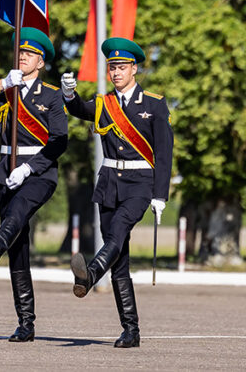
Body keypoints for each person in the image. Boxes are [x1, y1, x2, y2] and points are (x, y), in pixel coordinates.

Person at [61, 37, 174, 349]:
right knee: (120, 257)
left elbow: (164, 152)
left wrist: (160, 194)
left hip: (140, 184)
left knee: (118, 232)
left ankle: (90, 274)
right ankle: (131, 330)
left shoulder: (154, 103)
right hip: (110, 182)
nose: (116, 72)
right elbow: (79, 109)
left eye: (122, 67)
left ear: (134, 69)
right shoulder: (103, 104)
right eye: (112, 67)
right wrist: (69, 94)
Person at [0, 27, 68, 342]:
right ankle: (26, 324)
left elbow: (60, 141)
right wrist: (1, 84)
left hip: (39, 173)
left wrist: (30, 168)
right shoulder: (6, 89)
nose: (23, 57)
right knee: (20, 250)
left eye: (30, 54)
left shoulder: (51, 96)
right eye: (20, 53)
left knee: (17, 212)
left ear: (41, 63)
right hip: (6, 170)